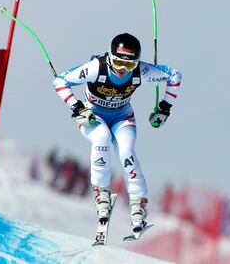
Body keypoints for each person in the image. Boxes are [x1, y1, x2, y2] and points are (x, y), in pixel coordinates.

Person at [53, 33, 182, 230]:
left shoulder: (142, 71)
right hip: (94, 116)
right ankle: (101, 192)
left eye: (129, 66)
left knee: (126, 151)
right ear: (110, 57)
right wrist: (77, 107)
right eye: (118, 63)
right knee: (102, 138)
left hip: (122, 117)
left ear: (136, 63)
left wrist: (165, 108)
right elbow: (60, 81)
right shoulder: (97, 67)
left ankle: (138, 202)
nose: (122, 70)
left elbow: (174, 75)